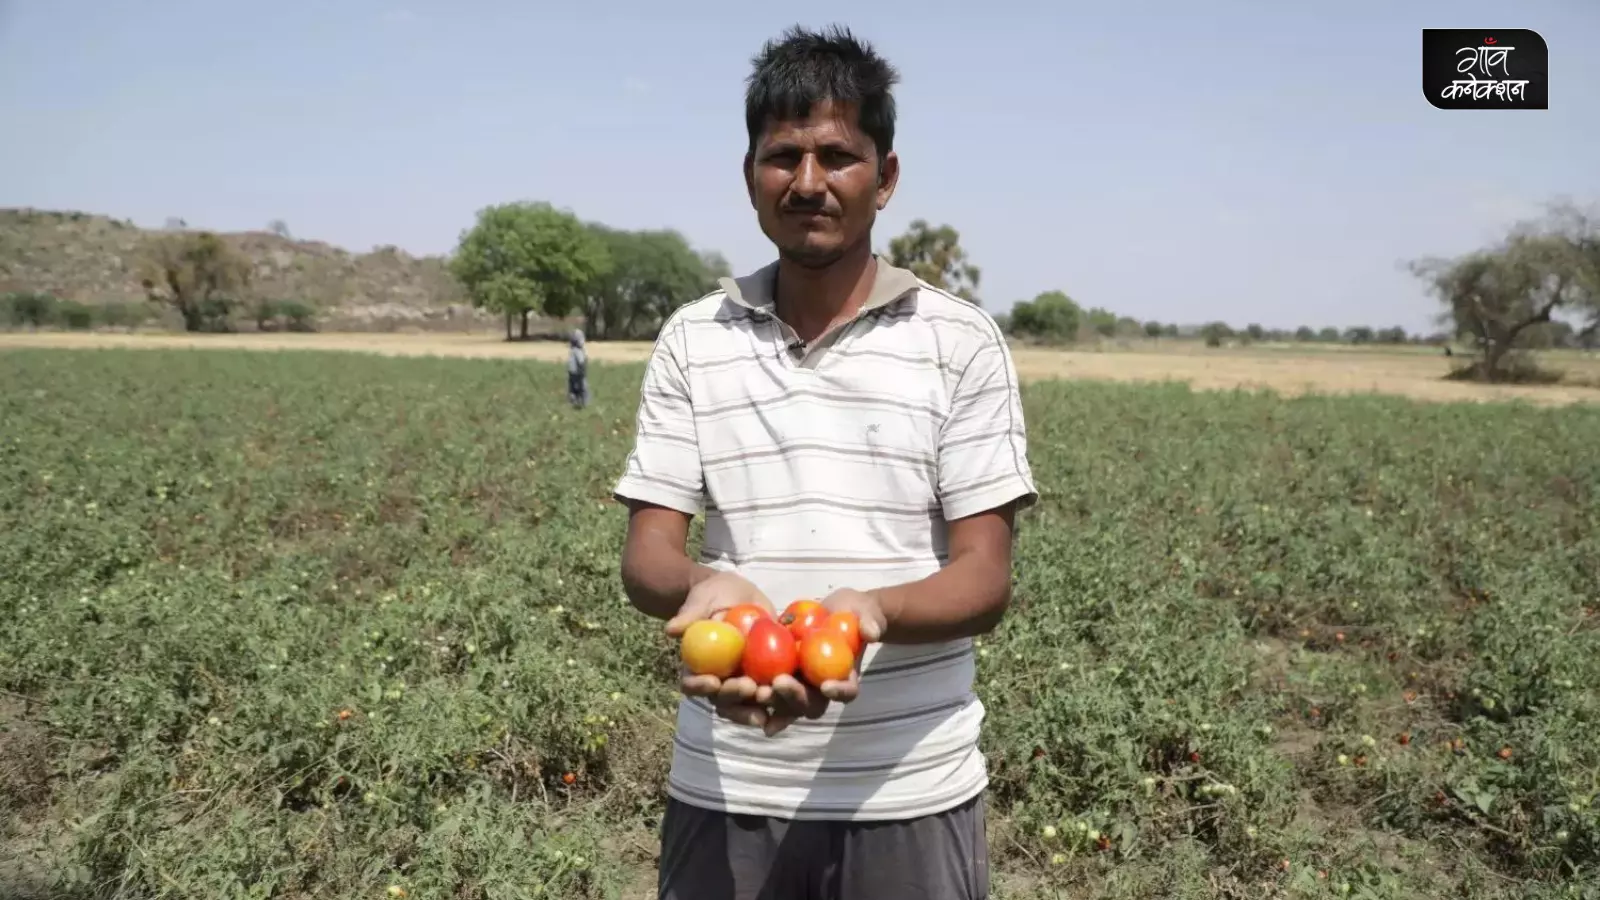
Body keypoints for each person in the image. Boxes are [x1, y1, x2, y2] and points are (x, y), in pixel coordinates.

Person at [612, 24, 1036, 900]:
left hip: (910, 791)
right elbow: (649, 556)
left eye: (838, 156)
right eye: (784, 156)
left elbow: (983, 580)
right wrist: (704, 592)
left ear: (885, 178)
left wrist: (867, 613)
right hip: (724, 788)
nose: (809, 183)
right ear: (750, 176)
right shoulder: (694, 340)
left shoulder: (959, 343)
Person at [567, 328, 589, 408]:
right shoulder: (578, 351)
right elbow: (581, 362)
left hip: (571, 372)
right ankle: (584, 404)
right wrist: (586, 358)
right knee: (583, 389)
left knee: (572, 389)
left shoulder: (572, 350)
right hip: (579, 373)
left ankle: (572, 402)